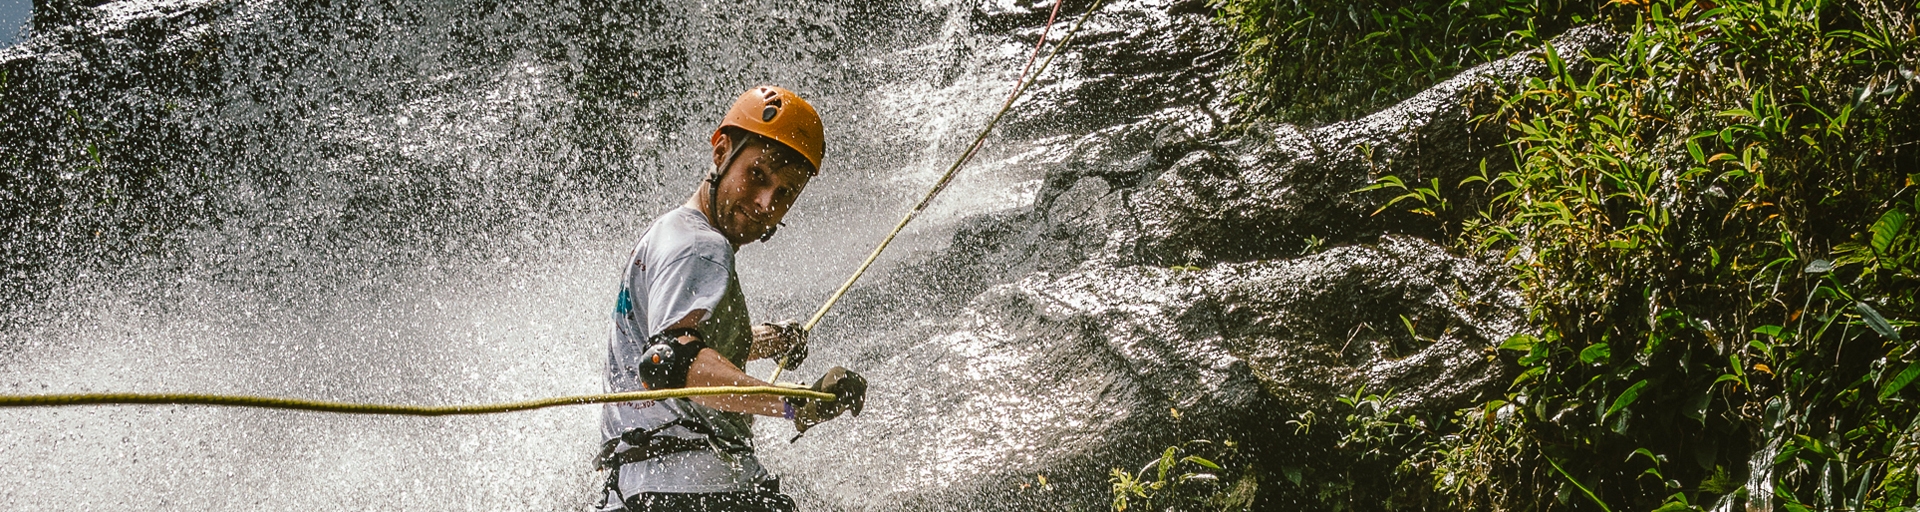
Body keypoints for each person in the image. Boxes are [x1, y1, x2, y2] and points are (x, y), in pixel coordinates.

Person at [594, 85, 868, 512]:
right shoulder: (703, 247)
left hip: (638, 490)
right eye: (758, 175)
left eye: (784, 194)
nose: (765, 203)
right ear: (721, 151)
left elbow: (681, 343)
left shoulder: (670, 233)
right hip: (703, 490)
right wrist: (799, 403)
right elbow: (671, 363)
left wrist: (767, 340)